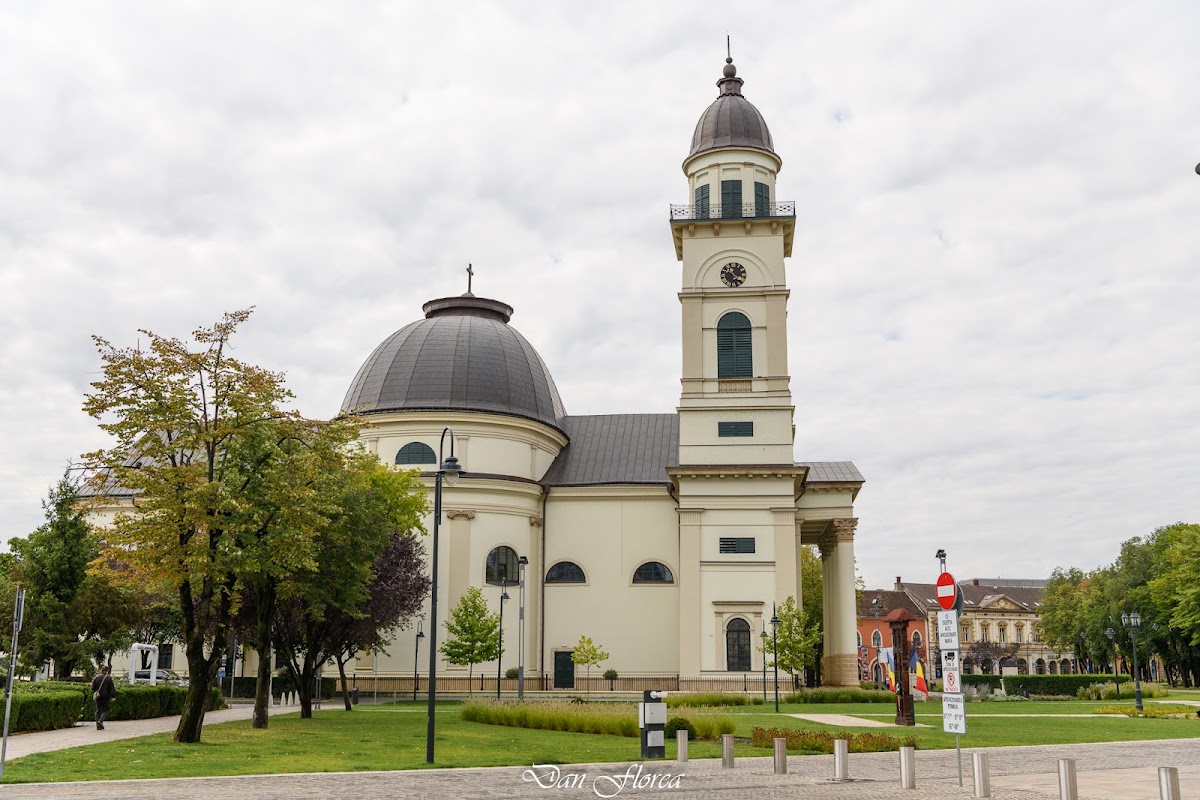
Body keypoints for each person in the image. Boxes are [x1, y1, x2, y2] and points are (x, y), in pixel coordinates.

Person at [91, 665, 117, 730]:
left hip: (98, 696)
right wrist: (113, 696)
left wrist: (96, 692)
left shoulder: (96, 678)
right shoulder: (108, 678)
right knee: (106, 710)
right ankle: (101, 720)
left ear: (101, 670)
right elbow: (112, 688)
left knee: (98, 710)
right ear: (107, 671)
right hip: (105, 697)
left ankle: (98, 725)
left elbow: (92, 687)